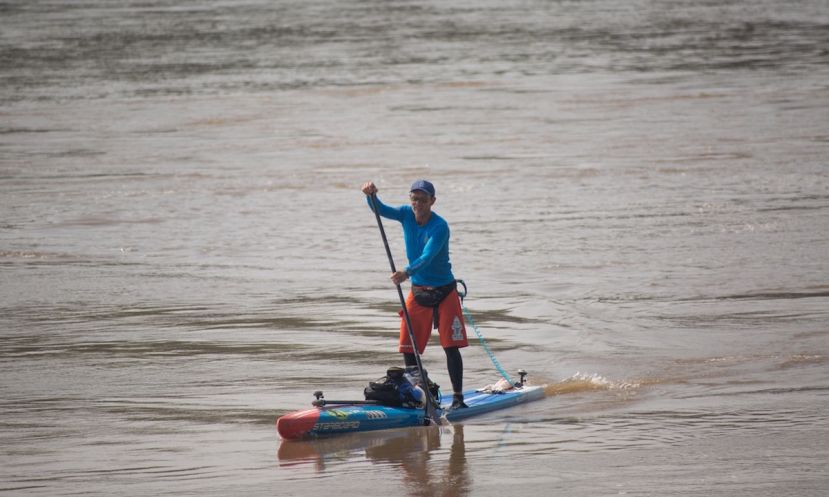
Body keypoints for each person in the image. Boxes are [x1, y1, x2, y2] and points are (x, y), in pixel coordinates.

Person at [362, 179, 469, 409]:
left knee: (450, 347)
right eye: (414, 198)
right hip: (419, 292)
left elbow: (428, 256)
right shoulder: (405, 214)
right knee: (407, 346)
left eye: (423, 199)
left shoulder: (440, 226)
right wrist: (370, 196)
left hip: (444, 291)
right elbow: (380, 209)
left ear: (432, 201)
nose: (417, 203)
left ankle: (459, 399)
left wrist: (406, 272)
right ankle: (418, 394)